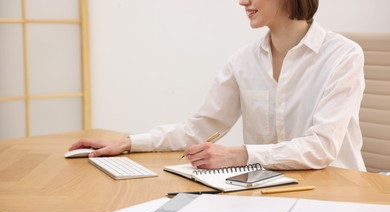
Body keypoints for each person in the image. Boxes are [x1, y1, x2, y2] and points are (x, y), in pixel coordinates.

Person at [69, 0, 366, 171]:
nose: (242, 1)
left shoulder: (343, 56)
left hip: (338, 194)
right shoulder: (243, 61)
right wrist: (129, 142)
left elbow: (322, 147)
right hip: (270, 193)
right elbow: (198, 128)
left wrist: (239, 155)